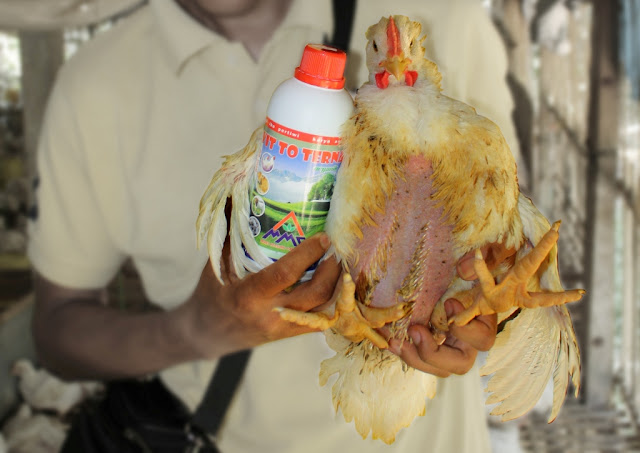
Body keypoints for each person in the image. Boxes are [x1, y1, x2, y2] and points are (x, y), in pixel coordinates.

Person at [27, 0, 521, 451]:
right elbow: (56, 331)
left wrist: (483, 303)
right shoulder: (95, 87)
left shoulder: (437, 21)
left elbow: (513, 245)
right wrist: (193, 330)